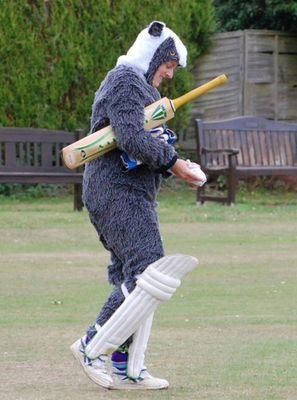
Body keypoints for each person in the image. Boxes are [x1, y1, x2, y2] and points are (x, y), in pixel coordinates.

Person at [70, 20, 205, 391]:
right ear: (156, 55)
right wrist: (175, 164)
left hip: (127, 192)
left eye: (173, 67)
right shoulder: (126, 81)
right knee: (149, 270)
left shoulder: (137, 86)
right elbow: (131, 137)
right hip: (115, 191)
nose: (169, 73)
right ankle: (91, 345)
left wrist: (177, 161)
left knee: (138, 274)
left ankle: (126, 364)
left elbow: (142, 139)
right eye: (169, 64)